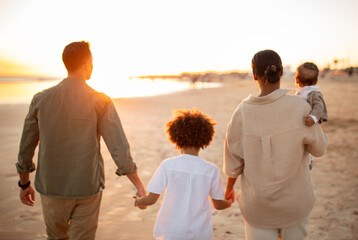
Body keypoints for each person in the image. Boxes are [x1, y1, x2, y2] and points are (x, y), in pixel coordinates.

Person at [16, 41, 146, 240]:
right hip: (87, 187)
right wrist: (138, 185)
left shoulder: (40, 99)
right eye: (92, 61)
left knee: (56, 237)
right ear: (87, 63)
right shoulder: (100, 100)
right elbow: (118, 147)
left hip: (51, 187)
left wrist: (24, 184)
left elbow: (26, 148)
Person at [223, 50, 328, 240]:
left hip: (258, 207)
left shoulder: (242, 112)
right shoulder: (300, 106)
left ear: (255, 75)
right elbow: (319, 149)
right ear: (280, 73)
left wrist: (229, 189)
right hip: (295, 203)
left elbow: (233, 164)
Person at [134, 109, 232, 240]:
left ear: (175, 137)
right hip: (200, 233)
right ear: (206, 138)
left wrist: (139, 201)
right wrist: (229, 201)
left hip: (171, 232)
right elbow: (218, 205)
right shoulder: (211, 170)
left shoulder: (168, 165)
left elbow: (151, 199)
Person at [295, 62, 329, 170]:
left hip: (309, 124)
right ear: (315, 81)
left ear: (297, 80)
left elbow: (319, 107)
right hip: (300, 125)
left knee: (307, 147)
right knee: (301, 146)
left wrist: (313, 118)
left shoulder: (314, 94)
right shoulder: (299, 93)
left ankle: (309, 162)